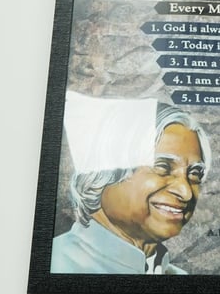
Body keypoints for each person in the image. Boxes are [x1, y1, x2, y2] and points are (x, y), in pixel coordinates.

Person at [51, 102, 211, 274]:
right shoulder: (59, 265)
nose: (186, 192)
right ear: (103, 171)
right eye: (162, 166)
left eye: (194, 174)